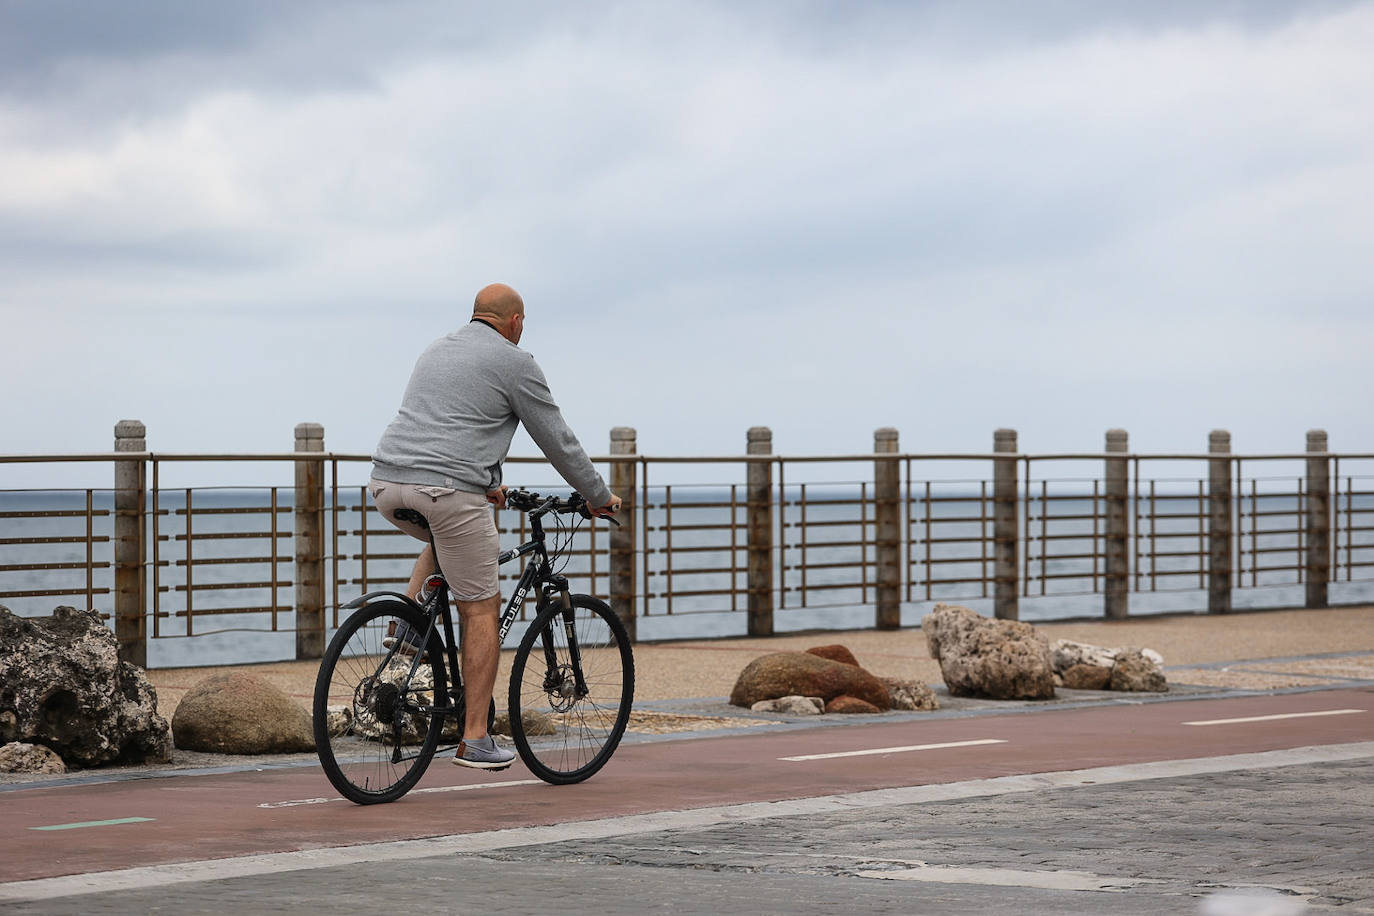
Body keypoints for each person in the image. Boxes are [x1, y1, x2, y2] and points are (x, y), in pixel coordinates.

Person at [368, 283, 620, 770]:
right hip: (446, 491)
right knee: (481, 610)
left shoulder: (438, 348)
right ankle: (475, 739)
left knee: (446, 538)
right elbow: (557, 439)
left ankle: (408, 625)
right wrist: (598, 496)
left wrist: (489, 482)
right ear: (516, 322)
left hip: (386, 483)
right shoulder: (515, 361)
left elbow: (449, 425)